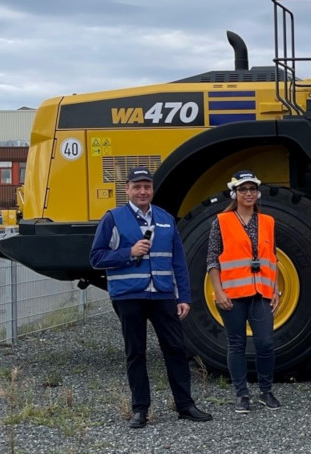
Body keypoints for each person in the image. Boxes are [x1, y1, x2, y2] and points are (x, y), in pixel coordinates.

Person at [89, 166, 212, 428]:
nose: (142, 191)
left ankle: (185, 405)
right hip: (128, 296)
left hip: (163, 295)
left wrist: (185, 297)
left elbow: (179, 262)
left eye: (146, 186)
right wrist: (128, 252)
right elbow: (96, 257)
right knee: (136, 352)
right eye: (137, 186)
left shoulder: (166, 219)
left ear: (152, 190)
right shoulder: (113, 218)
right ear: (127, 190)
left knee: (176, 350)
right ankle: (140, 409)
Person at [207, 170, 281, 413]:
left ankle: (266, 391)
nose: (248, 194)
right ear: (235, 193)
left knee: (265, 342)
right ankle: (242, 395)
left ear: (257, 193)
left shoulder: (268, 222)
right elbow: (212, 261)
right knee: (236, 344)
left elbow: (272, 257)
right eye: (243, 189)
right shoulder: (221, 221)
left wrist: (276, 290)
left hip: (261, 293)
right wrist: (218, 292)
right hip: (232, 295)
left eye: (252, 189)